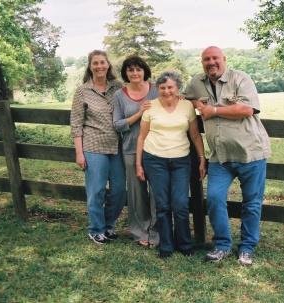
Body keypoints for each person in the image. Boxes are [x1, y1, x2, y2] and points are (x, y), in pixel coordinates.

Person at [181, 46, 271, 266]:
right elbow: (182, 96)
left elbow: (247, 110)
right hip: (219, 157)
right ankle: (222, 245)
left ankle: (247, 248)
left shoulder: (240, 78)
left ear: (223, 59)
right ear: (202, 62)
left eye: (214, 58)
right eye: (206, 59)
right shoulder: (197, 82)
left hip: (251, 153)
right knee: (213, 199)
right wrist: (195, 102)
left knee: (251, 203)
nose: (211, 62)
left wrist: (214, 111)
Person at [136, 71, 207, 259]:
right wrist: (139, 164)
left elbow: (194, 135)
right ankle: (166, 246)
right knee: (163, 205)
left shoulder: (186, 106)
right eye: (162, 88)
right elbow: (142, 137)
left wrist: (202, 158)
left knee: (180, 204)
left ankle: (184, 244)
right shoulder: (150, 106)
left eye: (170, 87)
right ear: (157, 89)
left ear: (177, 88)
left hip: (181, 160)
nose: (166, 91)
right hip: (154, 160)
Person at [70, 50, 126, 245]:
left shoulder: (118, 87)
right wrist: (79, 152)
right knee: (97, 190)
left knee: (119, 190)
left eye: (103, 62)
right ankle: (96, 229)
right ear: (90, 66)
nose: (99, 66)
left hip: (117, 146)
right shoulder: (83, 91)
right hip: (93, 146)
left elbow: (137, 96)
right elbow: (76, 124)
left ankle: (108, 225)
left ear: (108, 65)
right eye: (95, 63)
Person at [113, 55, 159, 248]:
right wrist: (139, 114)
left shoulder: (156, 88)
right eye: (130, 70)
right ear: (125, 73)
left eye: (138, 69)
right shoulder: (119, 95)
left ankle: (157, 233)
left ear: (144, 71)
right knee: (137, 194)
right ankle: (140, 231)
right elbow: (117, 125)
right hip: (131, 149)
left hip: (157, 149)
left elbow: (172, 102)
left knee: (157, 193)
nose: (135, 73)